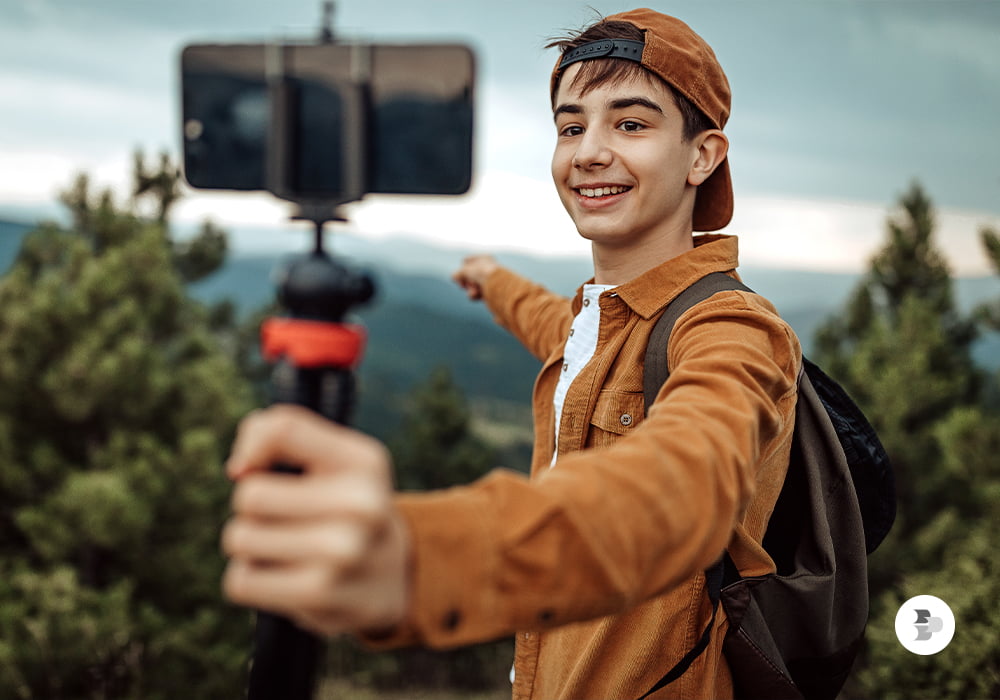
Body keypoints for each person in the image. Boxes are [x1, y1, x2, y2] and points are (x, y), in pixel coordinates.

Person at [221, 9, 801, 699]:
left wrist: (423, 558)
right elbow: (554, 322)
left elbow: (687, 486)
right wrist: (493, 281)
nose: (589, 151)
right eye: (571, 126)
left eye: (632, 123)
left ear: (702, 155)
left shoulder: (732, 329)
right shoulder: (600, 321)